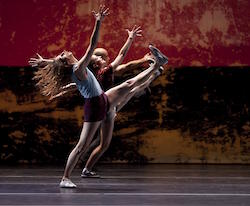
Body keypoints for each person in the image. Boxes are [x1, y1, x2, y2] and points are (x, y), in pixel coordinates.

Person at [29, 5, 168, 188]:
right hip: (94, 105)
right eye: (63, 54)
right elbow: (92, 45)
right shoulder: (77, 68)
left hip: (102, 98)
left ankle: (156, 65)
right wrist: (98, 22)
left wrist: (45, 62)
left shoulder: (76, 65)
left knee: (129, 85)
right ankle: (65, 178)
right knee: (82, 146)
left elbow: (59, 63)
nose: (66, 51)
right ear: (66, 60)